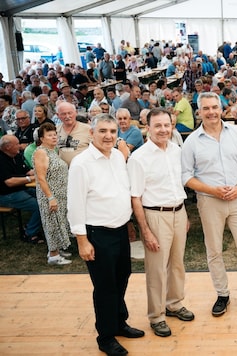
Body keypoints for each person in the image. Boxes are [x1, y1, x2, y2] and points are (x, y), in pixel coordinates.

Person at [181, 92, 237, 318]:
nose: (211, 112)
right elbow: (186, 177)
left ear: (222, 109)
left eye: (214, 107)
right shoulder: (191, 141)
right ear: (198, 112)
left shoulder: (236, 134)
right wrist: (212, 190)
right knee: (214, 251)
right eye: (206, 108)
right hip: (210, 202)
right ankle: (222, 294)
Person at [67, 114, 145, 356]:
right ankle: (106, 336)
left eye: (112, 131)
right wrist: (82, 240)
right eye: (102, 131)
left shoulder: (116, 158)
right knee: (105, 287)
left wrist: (129, 223)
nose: (108, 136)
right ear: (92, 133)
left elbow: (122, 192)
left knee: (122, 277)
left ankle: (119, 322)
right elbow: (75, 203)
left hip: (120, 230)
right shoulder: (81, 164)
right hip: (97, 233)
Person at [128, 108, 194, 338]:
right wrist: (145, 230)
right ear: (147, 127)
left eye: (167, 125)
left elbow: (179, 185)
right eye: (158, 126)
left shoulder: (177, 150)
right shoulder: (138, 158)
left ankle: (174, 304)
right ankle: (156, 316)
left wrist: (183, 214)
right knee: (156, 269)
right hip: (155, 215)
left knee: (177, 264)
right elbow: (135, 196)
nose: (163, 130)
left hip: (178, 212)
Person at [33, 122, 72, 265]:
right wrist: (50, 197)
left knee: (58, 222)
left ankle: (56, 249)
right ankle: (54, 256)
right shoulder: (40, 152)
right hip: (50, 196)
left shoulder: (52, 151)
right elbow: (41, 178)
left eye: (55, 134)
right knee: (51, 223)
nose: (54, 137)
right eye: (49, 135)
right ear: (42, 138)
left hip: (60, 195)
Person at [0, 134, 43, 243]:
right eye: (17, 144)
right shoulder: (1, 160)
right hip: (6, 194)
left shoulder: (16, 156)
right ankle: (30, 233)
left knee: (45, 196)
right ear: (8, 147)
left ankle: (32, 225)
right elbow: (9, 182)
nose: (19, 146)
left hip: (21, 188)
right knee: (39, 206)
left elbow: (26, 171)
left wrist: (41, 169)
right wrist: (30, 178)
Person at [55, 102, 91, 166]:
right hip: (63, 172)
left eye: (70, 113)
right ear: (58, 115)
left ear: (76, 112)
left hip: (83, 170)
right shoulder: (55, 130)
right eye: (63, 114)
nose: (67, 116)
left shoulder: (88, 129)